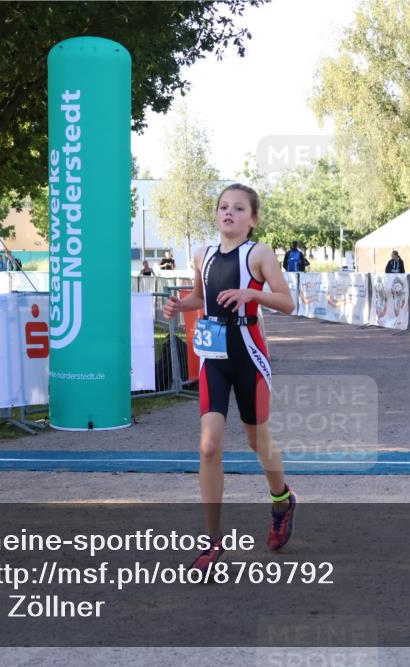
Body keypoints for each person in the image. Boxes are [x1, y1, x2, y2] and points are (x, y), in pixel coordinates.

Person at [162, 183, 297, 572]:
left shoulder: (260, 254)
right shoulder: (202, 254)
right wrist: (179, 304)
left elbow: (288, 302)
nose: (229, 213)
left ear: (252, 220)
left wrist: (251, 295)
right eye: (223, 207)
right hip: (213, 356)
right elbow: (203, 298)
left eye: (239, 209)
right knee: (208, 446)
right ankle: (211, 542)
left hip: (249, 354)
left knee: (258, 439)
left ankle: (280, 499)